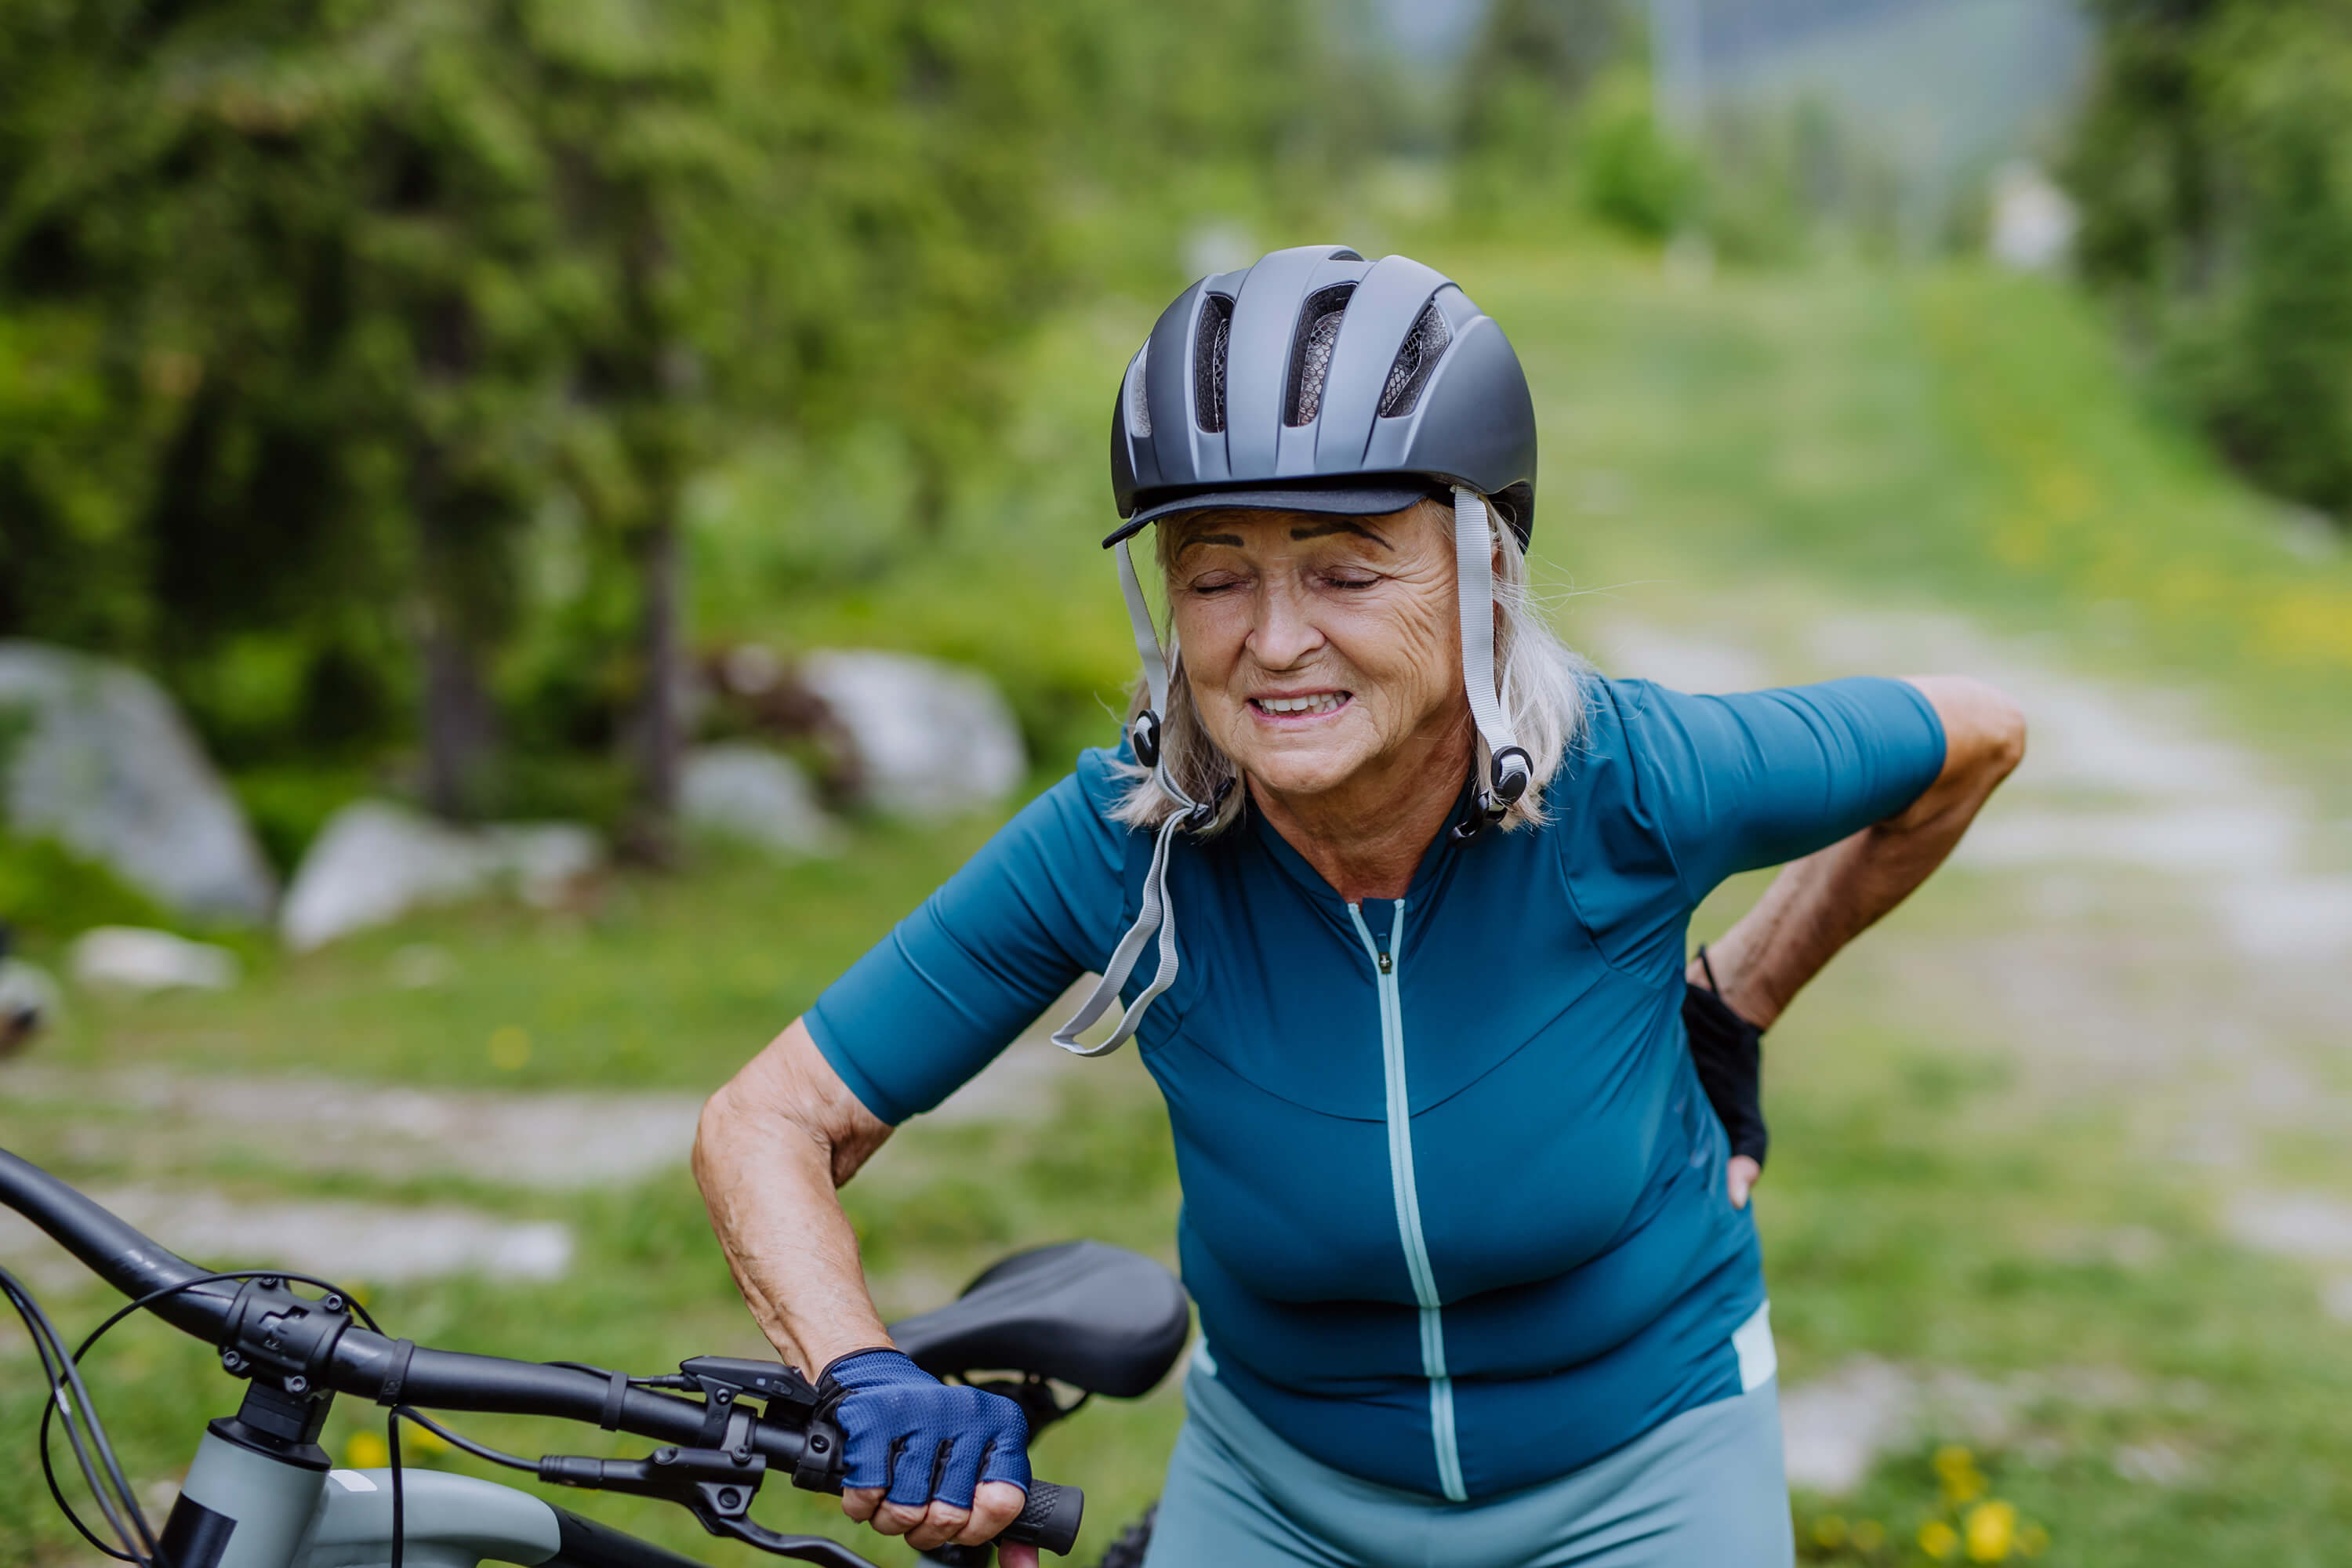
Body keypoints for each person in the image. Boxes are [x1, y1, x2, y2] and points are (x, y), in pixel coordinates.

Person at [695, 246, 2026, 1566]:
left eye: (1344, 569)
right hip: (1284, 1488)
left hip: (1644, 1465)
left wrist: (1732, 1001)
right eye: (1217, 575)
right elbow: (768, 1120)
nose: (1273, 641)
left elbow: (1976, 735)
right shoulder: (1121, 845)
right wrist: (860, 1373)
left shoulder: (1635, 785)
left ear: (1481, 573)